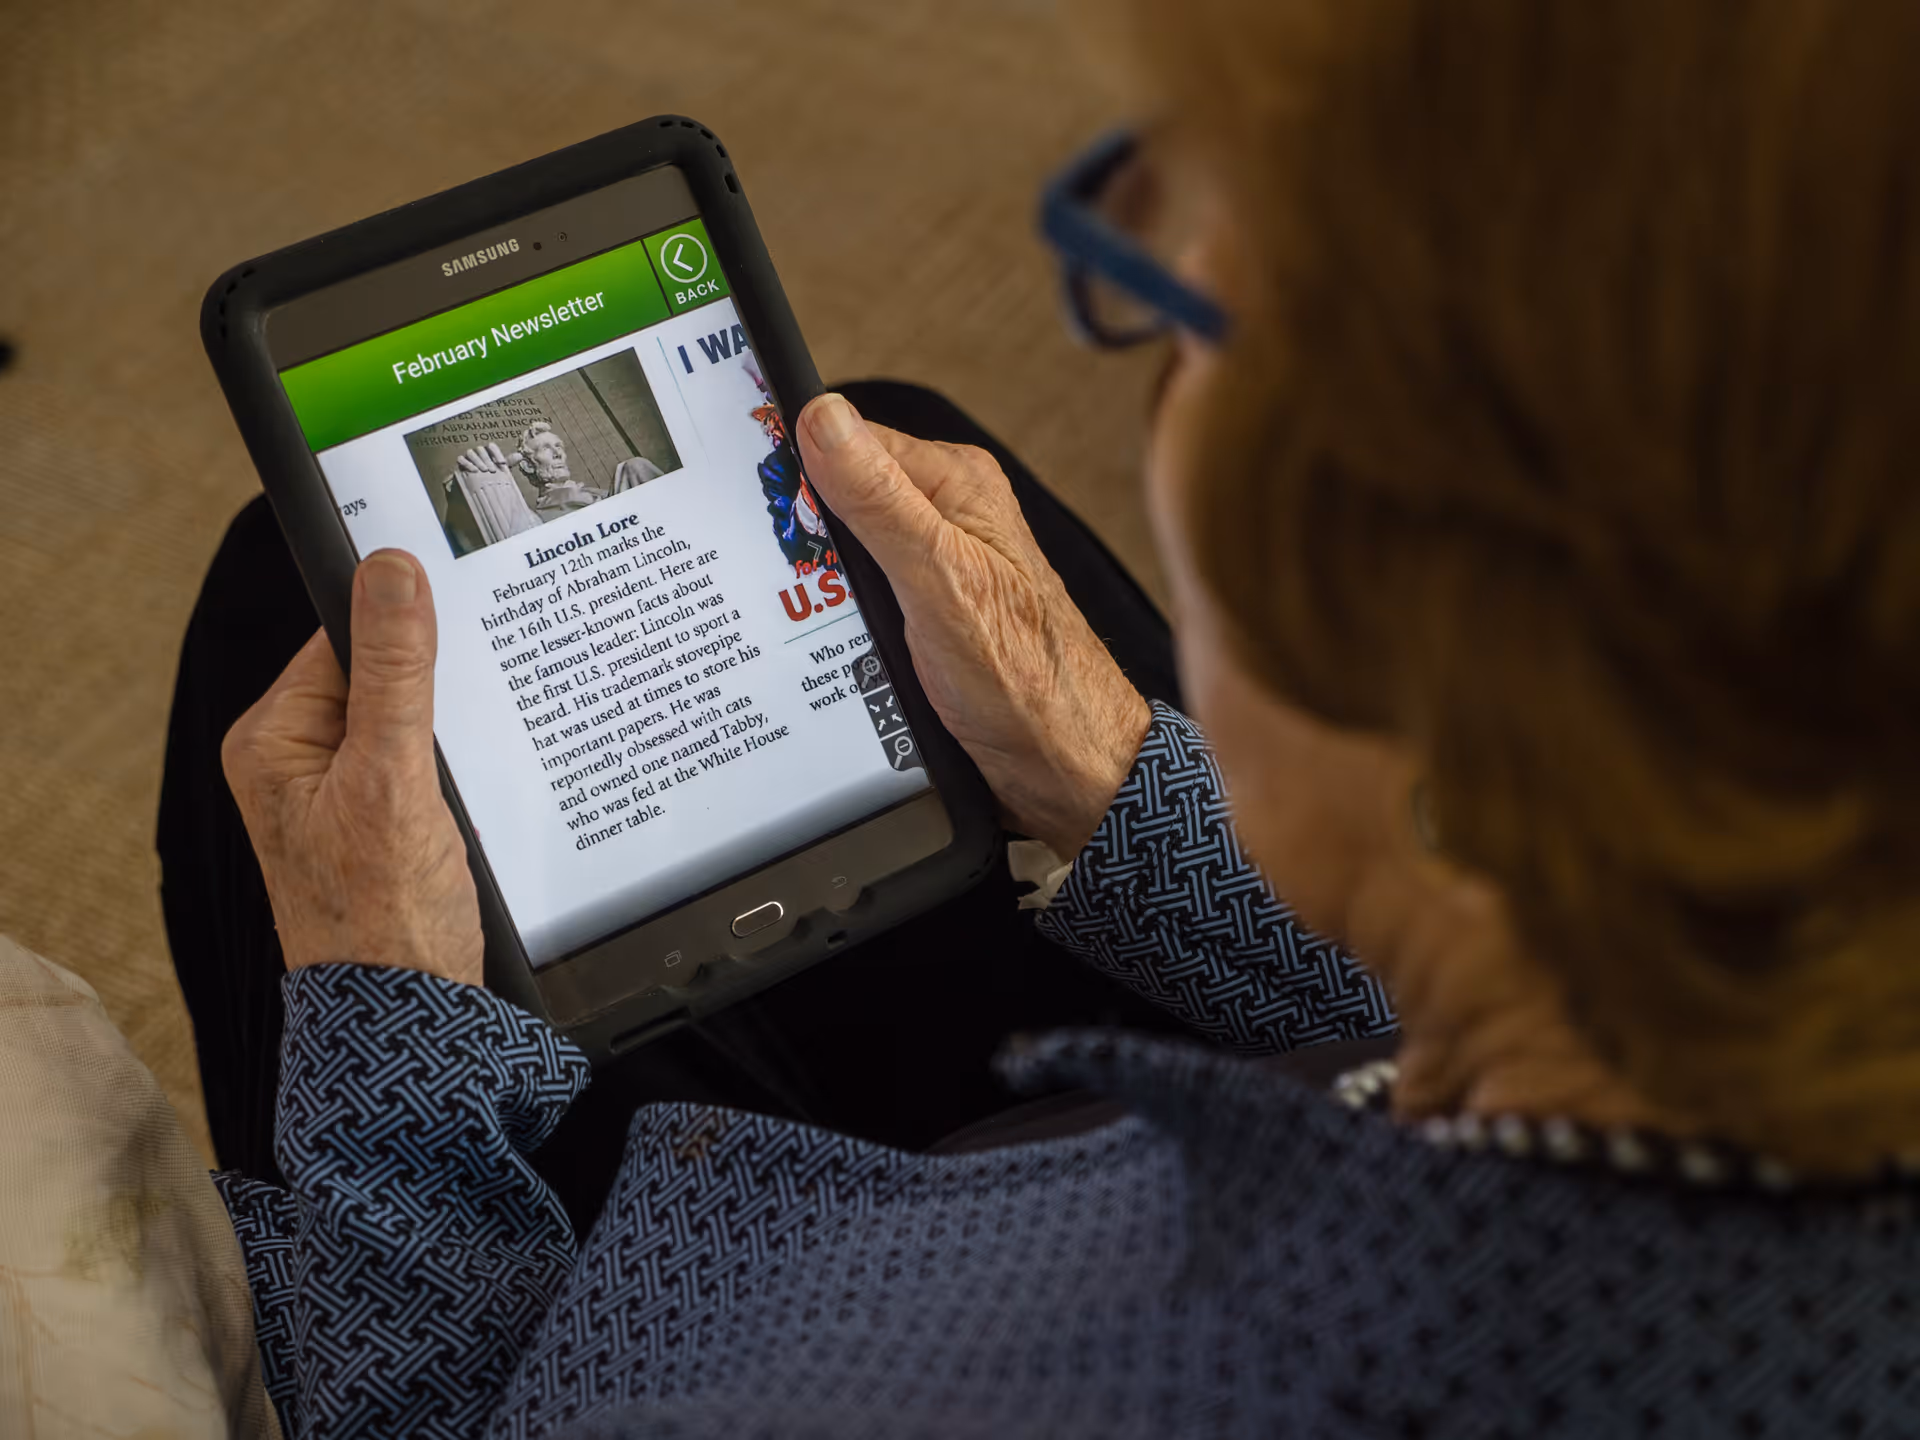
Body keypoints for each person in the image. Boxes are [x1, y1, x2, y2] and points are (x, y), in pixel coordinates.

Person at [158, 1, 1920, 1435]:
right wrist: (1121, 797)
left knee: (284, 600)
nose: (1154, 333)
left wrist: (381, 1045)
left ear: (1409, 592)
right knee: (894, 439)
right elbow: (1438, 1060)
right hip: (1132, 1123)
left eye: (1191, 312)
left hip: (699, 1311)